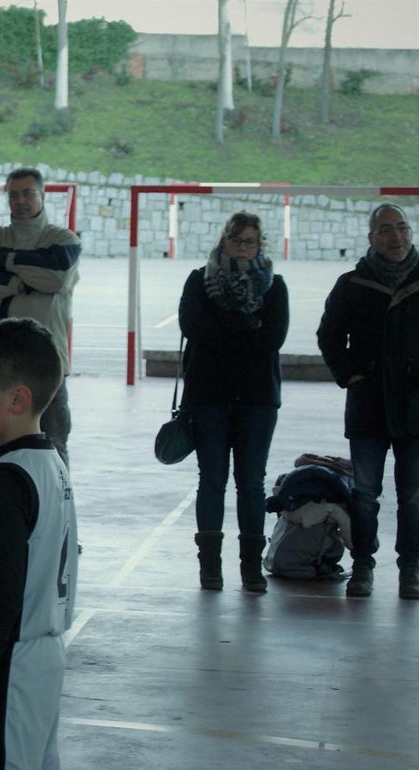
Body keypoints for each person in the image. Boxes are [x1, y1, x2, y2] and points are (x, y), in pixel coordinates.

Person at [0, 317, 78, 769]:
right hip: (42, 661)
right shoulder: (51, 463)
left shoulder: (6, 479)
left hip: (10, 668)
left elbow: (3, 596)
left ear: (17, 398)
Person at [0, 167, 80, 549]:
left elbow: (56, 278)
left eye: (28, 194)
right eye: (13, 195)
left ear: (42, 196)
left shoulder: (63, 239)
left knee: (53, 445)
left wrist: (4, 265)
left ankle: (60, 529)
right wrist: (24, 275)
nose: (20, 202)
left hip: (47, 368)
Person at [179, 211, 288, 593]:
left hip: (258, 400)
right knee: (211, 480)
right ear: (224, 241)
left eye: (250, 242)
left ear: (260, 245)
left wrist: (226, 331)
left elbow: (273, 338)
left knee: (251, 483)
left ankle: (250, 568)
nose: (243, 248)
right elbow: (192, 327)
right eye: (237, 240)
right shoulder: (198, 281)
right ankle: (210, 568)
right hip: (207, 396)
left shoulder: (275, 288)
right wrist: (245, 328)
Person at [318, 203, 419, 600]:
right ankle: (362, 566)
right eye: (386, 230)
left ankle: (411, 569)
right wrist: (350, 375)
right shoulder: (353, 284)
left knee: (412, 494)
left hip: (414, 407)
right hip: (368, 405)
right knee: (365, 493)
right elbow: (329, 336)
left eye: (402, 227)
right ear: (371, 239)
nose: (396, 236)